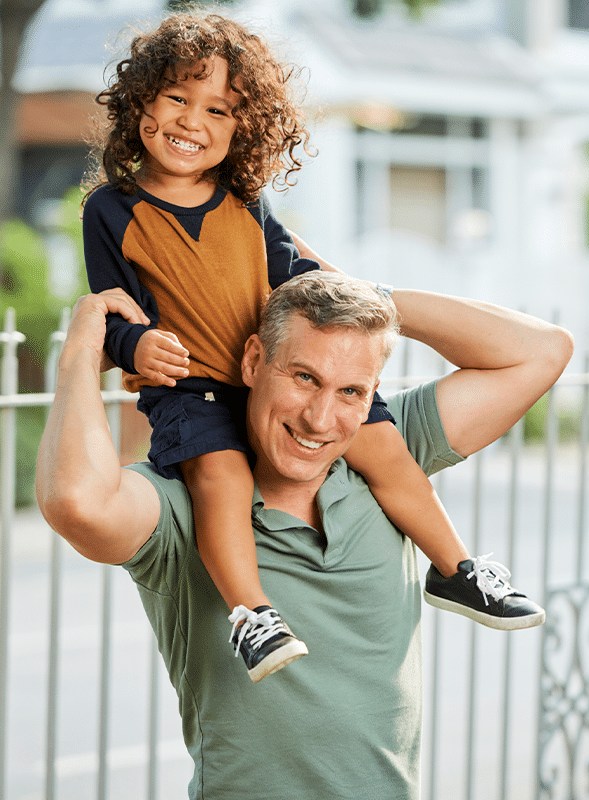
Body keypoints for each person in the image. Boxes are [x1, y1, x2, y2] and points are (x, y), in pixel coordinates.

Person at [82, 12, 544, 682]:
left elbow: (295, 271)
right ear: (142, 101)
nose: (192, 121)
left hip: (282, 368)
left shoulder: (244, 198)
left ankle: (458, 570)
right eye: (178, 98)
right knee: (220, 481)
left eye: (218, 109)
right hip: (196, 386)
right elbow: (113, 311)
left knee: (386, 451)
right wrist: (136, 344)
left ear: (241, 128)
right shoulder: (112, 211)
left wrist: (354, 303)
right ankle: (251, 616)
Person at [36, 272, 573, 800]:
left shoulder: (392, 456)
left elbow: (543, 352)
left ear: (371, 399)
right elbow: (75, 502)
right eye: (304, 378)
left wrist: (374, 299)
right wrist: (82, 351)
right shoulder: (187, 499)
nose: (320, 419)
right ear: (253, 362)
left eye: (351, 391)